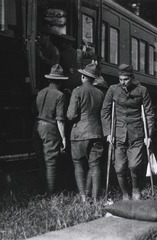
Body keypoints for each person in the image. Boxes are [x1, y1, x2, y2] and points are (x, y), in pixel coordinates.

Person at [101, 64, 154, 200]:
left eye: (125, 79)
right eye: (120, 79)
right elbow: (105, 111)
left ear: (132, 77)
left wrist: (149, 135)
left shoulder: (142, 91)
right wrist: (108, 133)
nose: (122, 82)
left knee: (134, 165)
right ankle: (125, 194)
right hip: (118, 134)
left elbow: (148, 114)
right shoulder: (113, 90)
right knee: (119, 168)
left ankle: (136, 190)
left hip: (136, 134)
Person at [67, 63, 104, 202]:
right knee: (94, 165)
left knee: (78, 164)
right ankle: (95, 198)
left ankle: (83, 197)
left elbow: (71, 115)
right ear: (93, 79)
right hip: (96, 132)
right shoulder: (100, 93)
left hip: (79, 133)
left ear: (83, 76)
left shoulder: (77, 91)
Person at [32, 64, 67, 195]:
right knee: (50, 162)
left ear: (49, 79)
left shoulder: (40, 93)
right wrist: (63, 138)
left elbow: (33, 110)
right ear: (61, 81)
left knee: (41, 161)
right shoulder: (60, 95)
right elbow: (60, 120)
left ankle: (42, 191)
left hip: (37, 127)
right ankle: (50, 194)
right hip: (50, 129)